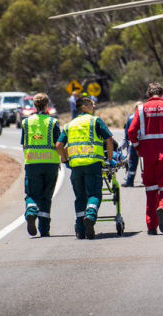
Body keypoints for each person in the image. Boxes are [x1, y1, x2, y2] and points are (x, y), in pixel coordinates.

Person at [127, 82, 163, 235]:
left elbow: (132, 131)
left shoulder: (141, 109)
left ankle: (152, 226)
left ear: (148, 94)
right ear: (161, 94)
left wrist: (138, 147)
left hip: (147, 155)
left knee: (151, 190)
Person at [56, 96, 116, 240]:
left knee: (80, 197)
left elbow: (58, 145)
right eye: (91, 104)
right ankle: (90, 216)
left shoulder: (70, 124)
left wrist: (65, 161)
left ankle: (80, 229)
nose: (94, 107)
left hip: (76, 166)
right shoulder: (95, 121)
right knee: (94, 194)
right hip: (93, 164)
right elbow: (109, 140)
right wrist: (109, 159)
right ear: (83, 106)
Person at [20, 93, 61, 237]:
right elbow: (58, 144)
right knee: (46, 196)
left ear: (34, 105)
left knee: (32, 193)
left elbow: (24, 145)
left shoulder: (26, 122)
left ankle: (31, 211)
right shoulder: (53, 122)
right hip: (50, 163)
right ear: (46, 105)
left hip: (32, 163)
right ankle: (44, 229)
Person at [121, 102, 143, 187]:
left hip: (135, 143)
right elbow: (127, 132)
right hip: (140, 142)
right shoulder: (145, 116)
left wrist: (126, 140)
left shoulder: (131, 118)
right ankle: (130, 181)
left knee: (133, 162)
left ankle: (130, 181)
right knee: (133, 163)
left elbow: (127, 132)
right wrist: (126, 141)